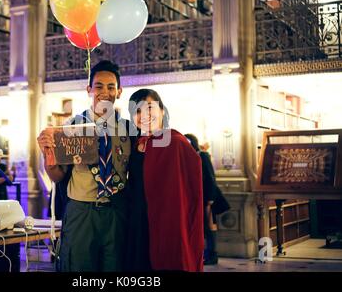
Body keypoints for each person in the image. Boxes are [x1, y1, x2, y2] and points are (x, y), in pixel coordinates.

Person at [37, 60, 132, 272]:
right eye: (98, 86)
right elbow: (57, 176)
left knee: (115, 267)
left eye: (111, 87)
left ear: (119, 91)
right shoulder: (72, 128)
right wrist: (47, 154)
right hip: (81, 212)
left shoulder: (129, 130)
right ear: (89, 89)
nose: (104, 92)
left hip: (116, 212)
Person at [125, 88, 204, 272]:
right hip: (138, 220)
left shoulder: (176, 142)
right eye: (137, 111)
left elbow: (192, 191)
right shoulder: (135, 144)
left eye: (149, 108)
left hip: (168, 221)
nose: (144, 115)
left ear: (162, 111)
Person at [185, 133, 230, 265]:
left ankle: (212, 254)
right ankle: (205, 254)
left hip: (208, 197)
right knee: (204, 226)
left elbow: (210, 177)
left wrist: (210, 198)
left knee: (210, 225)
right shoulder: (191, 156)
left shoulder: (203, 155)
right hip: (198, 197)